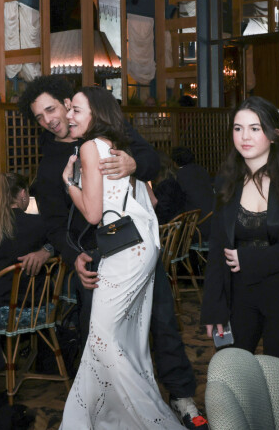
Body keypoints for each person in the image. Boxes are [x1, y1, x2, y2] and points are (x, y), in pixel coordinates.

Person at [18, 76, 204, 429]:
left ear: (69, 104)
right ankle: (113, 412)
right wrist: (73, 257)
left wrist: (134, 165)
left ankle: (179, 396)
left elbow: (150, 160)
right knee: (102, 338)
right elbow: (54, 223)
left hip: (132, 245)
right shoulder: (49, 161)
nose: (49, 120)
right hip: (94, 257)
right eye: (39, 117)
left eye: (52, 109)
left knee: (162, 323)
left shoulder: (110, 132)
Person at [59, 86, 184, 429]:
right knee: (124, 340)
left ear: (96, 115)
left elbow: (94, 214)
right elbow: (152, 202)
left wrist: (70, 183)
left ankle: (152, 420)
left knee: (103, 338)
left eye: (77, 110)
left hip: (123, 252)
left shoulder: (88, 147)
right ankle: (114, 418)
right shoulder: (116, 146)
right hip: (139, 246)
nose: (70, 115)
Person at [201, 96, 279, 368]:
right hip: (239, 296)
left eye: (255, 128)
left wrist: (251, 259)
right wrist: (213, 307)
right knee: (231, 373)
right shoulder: (227, 181)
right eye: (238, 128)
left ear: (274, 134)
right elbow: (216, 248)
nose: (244, 136)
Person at [0, 173, 50, 308]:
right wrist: (48, 250)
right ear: (23, 193)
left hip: (0, 304)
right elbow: (61, 244)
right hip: (35, 303)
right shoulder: (40, 223)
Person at [171, 146, 214, 241]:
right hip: (214, 223)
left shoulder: (180, 175)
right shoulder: (201, 170)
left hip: (197, 228)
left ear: (174, 162)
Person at [149, 151, 186, 224]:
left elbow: (162, 215)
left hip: (167, 230)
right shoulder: (173, 182)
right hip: (176, 227)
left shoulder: (164, 188)